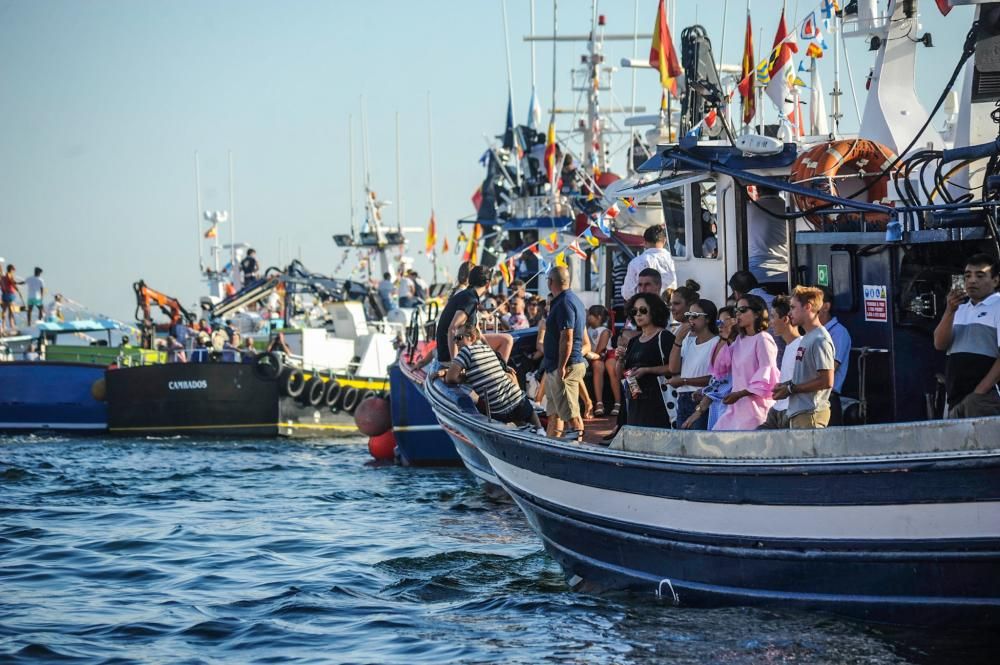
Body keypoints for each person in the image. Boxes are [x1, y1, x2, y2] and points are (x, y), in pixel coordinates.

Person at [934, 253, 1000, 418]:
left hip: (984, 399)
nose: (972, 281)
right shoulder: (959, 309)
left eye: (980, 275)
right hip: (956, 400)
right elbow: (939, 344)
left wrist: (980, 393)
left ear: (995, 280)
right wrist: (949, 311)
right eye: (967, 276)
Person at [445, 324, 541, 428]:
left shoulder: (466, 351)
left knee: (480, 403)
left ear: (472, 337)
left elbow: (450, 378)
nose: (455, 342)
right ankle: (540, 430)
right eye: (454, 338)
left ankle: (523, 426)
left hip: (499, 412)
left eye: (459, 338)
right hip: (519, 402)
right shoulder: (488, 349)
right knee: (526, 410)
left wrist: (466, 378)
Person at [711, 295, 779, 430]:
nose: (738, 314)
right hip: (736, 408)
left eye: (742, 310)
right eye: (736, 310)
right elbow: (719, 367)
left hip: (755, 410)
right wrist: (724, 337)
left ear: (757, 313)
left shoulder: (763, 339)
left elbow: (767, 377)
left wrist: (740, 394)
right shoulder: (739, 341)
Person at [772, 287, 835, 429]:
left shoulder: (820, 339)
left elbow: (827, 381)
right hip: (800, 413)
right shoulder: (808, 337)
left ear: (808, 307)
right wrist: (787, 385)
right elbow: (808, 376)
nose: (789, 313)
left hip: (811, 413)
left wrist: (790, 389)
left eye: (793, 307)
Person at [541, 266, 587, 441]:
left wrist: (562, 366)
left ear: (551, 282)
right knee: (555, 414)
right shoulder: (571, 300)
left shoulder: (564, 303)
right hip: (556, 366)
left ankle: (577, 450)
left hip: (565, 367)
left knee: (571, 415)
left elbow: (567, 337)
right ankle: (551, 444)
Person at [620, 293, 675, 428]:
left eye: (643, 310)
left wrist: (647, 370)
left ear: (654, 311)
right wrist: (620, 359)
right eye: (634, 311)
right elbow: (624, 374)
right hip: (636, 402)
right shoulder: (633, 341)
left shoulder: (664, 337)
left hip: (659, 402)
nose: (638, 314)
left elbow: (674, 367)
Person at [668, 299, 720, 430]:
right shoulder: (688, 341)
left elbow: (715, 379)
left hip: (701, 398)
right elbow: (673, 368)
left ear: (708, 319)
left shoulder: (716, 343)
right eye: (689, 315)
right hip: (682, 399)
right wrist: (678, 339)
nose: (691, 319)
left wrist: (684, 381)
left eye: (695, 316)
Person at [759, 295, 802, 429]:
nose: (770, 322)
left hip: (791, 412)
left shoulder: (801, 345)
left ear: (785, 319)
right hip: (778, 410)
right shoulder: (787, 346)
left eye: (773, 317)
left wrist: (786, 388)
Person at [436, 265, 490, 364]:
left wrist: (491, 351)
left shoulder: (469, 295)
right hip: (448, 354)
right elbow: (452, 328)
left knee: (506, 339)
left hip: (453, 346)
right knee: (507, 341)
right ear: (488, 284)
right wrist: (455, 362)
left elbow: (477, 330)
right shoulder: (470, 299)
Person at [818, 286, 853, 425]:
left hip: (827, 399)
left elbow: (831, 367)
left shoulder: (839, 333)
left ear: (826, 306)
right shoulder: (811, 334)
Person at [621, 224, 678, 300]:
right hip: (673, 307)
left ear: (644, 242)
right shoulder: (675, 260)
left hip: (646, 307)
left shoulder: (636, 262)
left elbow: (627, 293)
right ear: (664, 241)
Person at [585, 305, 617, 417]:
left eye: (590, 315)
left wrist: (592, 355)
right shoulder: (588, 329)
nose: (588, 317)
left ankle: (618, 402)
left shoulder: (605, 331)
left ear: (598, 317)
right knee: (598, 366)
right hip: (594, 357)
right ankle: (599, 403)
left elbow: (601, 349)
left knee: (611, 367)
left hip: (606, 354)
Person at [1, 264, 23, 335]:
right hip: (10, 294)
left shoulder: (2, 277)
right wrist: (18, 289)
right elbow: (13, 283)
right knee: (11, 311)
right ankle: (11, 325)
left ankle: (3, 326)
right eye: (13, 270)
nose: (14, 272)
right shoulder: (9, 275)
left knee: (4, 311)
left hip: (4, 294)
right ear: (11, 270)